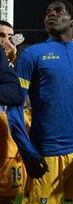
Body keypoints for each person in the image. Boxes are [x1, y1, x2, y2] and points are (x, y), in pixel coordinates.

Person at [7, 0, 73, 204]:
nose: (51, 14)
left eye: (58, 11)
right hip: (45, 156)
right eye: (47, 12)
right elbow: (15, 107)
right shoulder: (32, 54)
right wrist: (27, 152)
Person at [0, 20, 28, 204]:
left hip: (9, 150)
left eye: (10, 37)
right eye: (2, 36)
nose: (7, 41)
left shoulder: (20, 68)